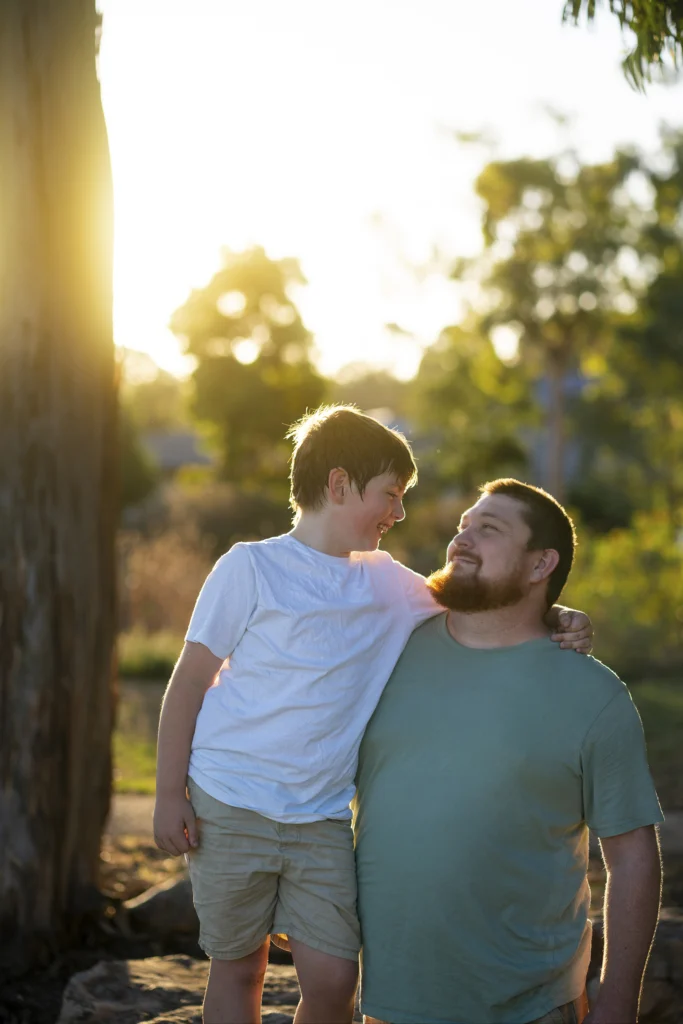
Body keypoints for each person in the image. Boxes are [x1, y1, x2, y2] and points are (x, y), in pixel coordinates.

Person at [153, 409, 592, 1024]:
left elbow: (476, 607)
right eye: (391, 494)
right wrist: (169, 793)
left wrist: (556, 614)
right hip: (229, 800)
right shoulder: (249, 568)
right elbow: (189, 683)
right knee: (239, 965)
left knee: (334, 979)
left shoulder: (388, 584)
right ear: (338, 486)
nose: (400, 512)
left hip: (322, 817)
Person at [354, 478, 663, 1024]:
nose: (461, 539)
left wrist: (618, 1002)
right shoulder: (386, 644)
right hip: (387, 1000)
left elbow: (633, 856)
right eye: (463, 526)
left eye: (489, 530)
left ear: (541, 564)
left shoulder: (594, 696)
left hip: (529, 1007)